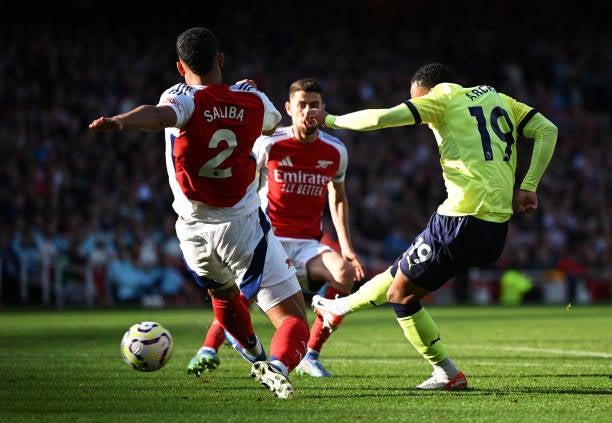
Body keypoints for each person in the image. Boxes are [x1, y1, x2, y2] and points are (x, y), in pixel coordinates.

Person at [305, 63, 557, 390]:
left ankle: (447, 373)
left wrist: (331, 120)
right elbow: (547, 129)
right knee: (401, 275)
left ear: (426, 91)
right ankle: (338, 308)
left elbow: (381, 118)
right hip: (496, 228)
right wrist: (529, 185)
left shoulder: (442, 97)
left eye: (417, 103)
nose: (423, 120)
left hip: (461, 218)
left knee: (400, 294)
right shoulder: (497, 98)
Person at [88, 26, 310, 399]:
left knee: (224, 298)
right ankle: (276, 365)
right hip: (241, 225)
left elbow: (158, 116)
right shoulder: (254, 100)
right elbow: (271, 121)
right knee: (292, 318)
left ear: (180, 66)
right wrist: (244, 91)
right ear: (220, 60)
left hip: (192, 231)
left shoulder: (181, 98)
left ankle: (254, 356)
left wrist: (122, 122)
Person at [187, 78, 365, 378]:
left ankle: (310, 354)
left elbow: (338, 198)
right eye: (302, 105)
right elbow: (243, 183)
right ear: (288, 108)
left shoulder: (336, 151)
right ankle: (208, 349)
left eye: (315, 105)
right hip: (271, 237)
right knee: (236, 293)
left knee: (345, 275)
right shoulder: (270, 143)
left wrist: (346, 249)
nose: (309, 111)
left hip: (308, 244)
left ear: (324, 109)